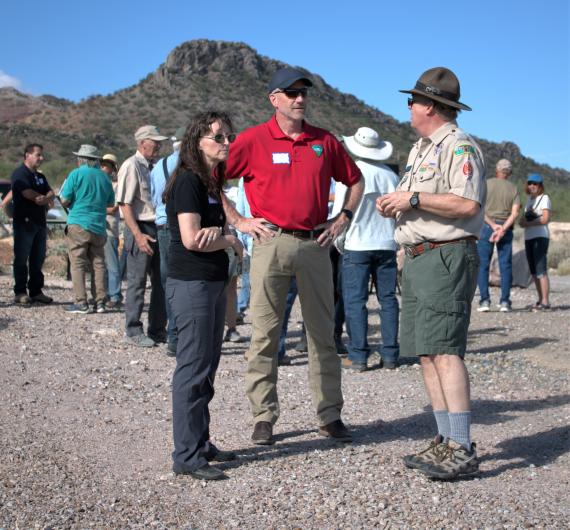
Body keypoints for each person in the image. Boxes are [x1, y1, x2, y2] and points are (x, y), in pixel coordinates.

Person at [221, 67, 364, 445]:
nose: (300, 99)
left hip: (315, 244)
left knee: (323, 336)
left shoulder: (324, 141)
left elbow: (356, 179)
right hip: (270, 243)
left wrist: (343, 218)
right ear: (274, 99)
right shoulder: (253, 140)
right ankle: (264, 417)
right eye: (291, 93)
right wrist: (238, 220)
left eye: (304, 93)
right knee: (265, 335)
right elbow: (211, 178)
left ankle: (330, 415)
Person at [377, 67, 486, 480]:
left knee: (445, 349)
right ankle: (445, 441)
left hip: (446, 255)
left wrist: (414, 197)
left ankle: (462, 446)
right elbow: (421, 202)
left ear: (430, 106)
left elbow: (467, 206)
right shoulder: (420, 149)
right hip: (420, 255)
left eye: (413, 101)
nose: (408, 107)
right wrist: (399, 205)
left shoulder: (459, 148)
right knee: (426, 351)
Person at [164, 110, 243, 481]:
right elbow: (194, 238)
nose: (226, 142)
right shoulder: (188, 183)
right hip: (192, 284)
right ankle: (187, 455)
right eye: (218, 136)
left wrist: (223, 237)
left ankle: (201, 442)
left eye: (228, 135)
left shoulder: (209, 183)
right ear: (198, 141)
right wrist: (229, 239)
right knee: (193, 369)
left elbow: (212, 233)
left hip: (210, 281)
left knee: (207, 367)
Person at [334, 126, 400, 371]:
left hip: (357, 243)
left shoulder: (351, 173)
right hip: (386, 243)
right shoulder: (391, 177)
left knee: (355, 301)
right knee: (388, 300)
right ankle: (391, 354)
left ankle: (359, 355)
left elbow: (339, 213)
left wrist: (337, 241)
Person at [116, 125, 168, 347]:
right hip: (140, 227)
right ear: (142, 142)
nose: (158, 145)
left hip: (157, 227)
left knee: (161, 282)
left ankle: (157, 329)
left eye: (159, 142)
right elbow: (125, 204)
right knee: (137, 282)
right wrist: (137, 235)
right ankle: (133, 330)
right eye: (154, 141)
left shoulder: (153, 167)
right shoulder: (131, 165)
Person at [60, 145, 115, 313]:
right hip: (98, 225)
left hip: (78, 222)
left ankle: (81, 302)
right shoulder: (105, 177)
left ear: (81, 159)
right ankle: (100, 302)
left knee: (77, 263)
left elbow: (64, 199)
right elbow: (110, 203)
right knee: (98, 264)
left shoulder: (76, 174)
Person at [150, 127, 185, 356]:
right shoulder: (191, 167)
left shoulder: (158, 167)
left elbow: (154, 199)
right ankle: (178, 336)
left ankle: (171, 335)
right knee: (185, 282)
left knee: (167, 281)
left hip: (163, 227)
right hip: (184, 227)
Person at [10, 143, 55, 305]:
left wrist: (46, 198)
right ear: (27, 155)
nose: (41, 158)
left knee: (38, 258)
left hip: (40, 223)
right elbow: (26, 192)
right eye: (38, 155)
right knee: (22, 258)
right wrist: (41, 197)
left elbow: (51, 193)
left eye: (41, 155)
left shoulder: (40, 176)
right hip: (24, 223)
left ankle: (36, 291)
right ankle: (20, 292)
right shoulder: (19, 173)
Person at [476, 159, 520, 312]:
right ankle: (505, 302)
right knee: (505, 265)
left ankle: (484, 301)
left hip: (487, 226)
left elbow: (479, 208)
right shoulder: (513, 188)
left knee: (483, 265)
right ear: (510, 172)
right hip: (506, 228)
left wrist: (493, 226)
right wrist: (502, 229)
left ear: (497, 170)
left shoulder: (486, 184)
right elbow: (515, 213)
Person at [519, 174, 551, 310]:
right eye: (530, 183)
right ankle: (540, 300)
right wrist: (525, 222)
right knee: (533, 271)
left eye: (535, 184)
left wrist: (529, 222)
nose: (532, 186)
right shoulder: (529, 200)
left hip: (540, 237)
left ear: (540, 186)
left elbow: (545, 219)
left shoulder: (545, 198)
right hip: (529, 238)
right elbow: (521, 222)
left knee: (541, 269)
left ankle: (545, 301)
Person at [100, 153, 123, 308]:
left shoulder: (116, 185)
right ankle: (107, 293)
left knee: (112, 263)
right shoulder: (101, 183)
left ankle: (114, 295)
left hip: (109, 228)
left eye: (108, 166)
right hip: (99, 227)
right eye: (103, 165)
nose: (104, 168)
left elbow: (114, 207)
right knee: (102, 263)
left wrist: (94, 208)